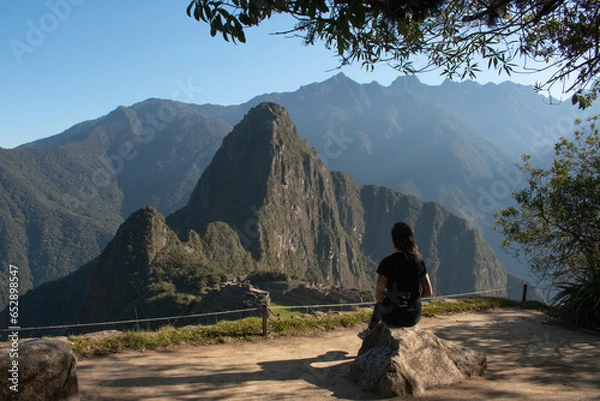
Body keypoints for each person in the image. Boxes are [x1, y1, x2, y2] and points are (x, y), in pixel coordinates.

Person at [358, 222, 433, 339]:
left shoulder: (387, 263)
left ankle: (369, 331)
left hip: (393, 315)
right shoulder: (419, 262)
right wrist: (412, 299)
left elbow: (378, 295)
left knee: (379, 305)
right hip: (414, 316)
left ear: (393, 241)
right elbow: (429, 292)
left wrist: (393, 301)